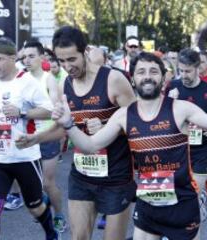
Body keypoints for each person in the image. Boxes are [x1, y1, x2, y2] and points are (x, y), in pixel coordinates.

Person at [16, 51, 207, 240]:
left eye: (153, 71)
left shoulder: (181, 109)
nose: (147, 76)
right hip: (147, 205)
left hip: (183, 203)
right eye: (141, 72)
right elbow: (90, 145)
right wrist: (69, 125)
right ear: (132, 78)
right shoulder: (123, 115)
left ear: (164, 78)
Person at [18, 26, 136, 240]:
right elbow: (64, 129)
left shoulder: (113, 79)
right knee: (78, 237)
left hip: (116, 175)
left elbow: (140, 124)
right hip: (82, 174)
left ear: (86, 51)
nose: (67, 66)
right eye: (62, 61)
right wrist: (35, 138)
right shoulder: (65, 84)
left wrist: (111, 127)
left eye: (72, 59)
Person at [0, 37, 58, 240]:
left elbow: (49, 111)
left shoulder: (26, 82)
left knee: (35, 206)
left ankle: (51, 233)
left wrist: (21, 112)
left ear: (13, 58)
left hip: (25, 157)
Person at [165, 48, 207, 225]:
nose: (184, 75)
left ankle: (195, 207)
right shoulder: (172, 87)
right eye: (181, 71)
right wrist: (169, 102)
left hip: (202, 149)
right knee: (176, 195)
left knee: (193, 193)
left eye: (188, 71)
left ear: (198, 68)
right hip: (177, 149)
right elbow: (160, 117)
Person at [23, 40, 67, 232]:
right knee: (30, 181)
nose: (27, 60)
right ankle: (44, 204)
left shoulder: (48, 78)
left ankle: (59, 215)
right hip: (27, 136)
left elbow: (54, 107)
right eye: (24, 56)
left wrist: (27, 112)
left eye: (31, 56)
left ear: (42, 58)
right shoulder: (21, 78)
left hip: (47, 136)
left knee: (48, 183)